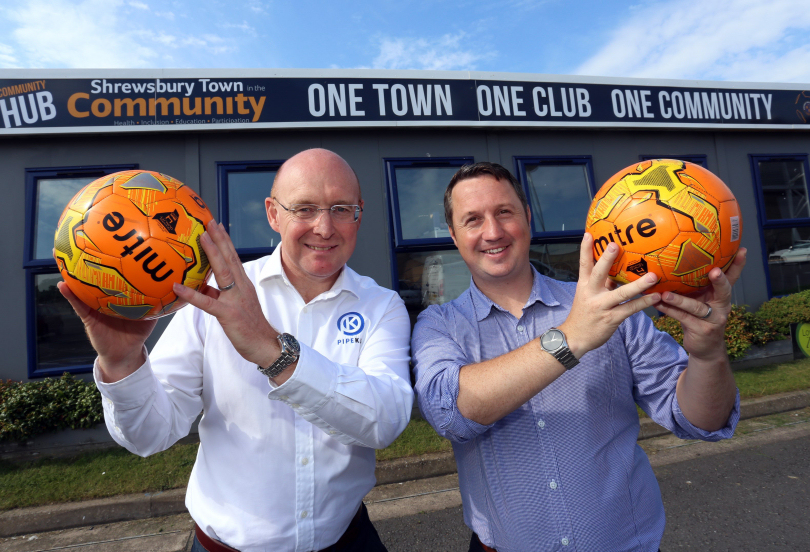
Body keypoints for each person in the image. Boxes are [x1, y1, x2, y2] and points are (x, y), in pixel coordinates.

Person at [58, 149, 413, 552]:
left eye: (340, 208)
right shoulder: (214, 299)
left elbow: (385, 421)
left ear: (359, 215)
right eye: (304, 208)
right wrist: (122, 365)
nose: (324, 226)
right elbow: (150, 435)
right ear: (273, 214)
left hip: (348, 541)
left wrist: (271, 351)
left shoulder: (381, 305)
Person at [411, 162, 746, 552]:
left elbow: (702, 421)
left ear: (528, 217)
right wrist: (571, 337)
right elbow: (448, 412)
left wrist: (706, 354)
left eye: (505, 212)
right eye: (472, 220)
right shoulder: (440, 324)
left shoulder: (609, 306)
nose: (493, 232)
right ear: (453, 235)